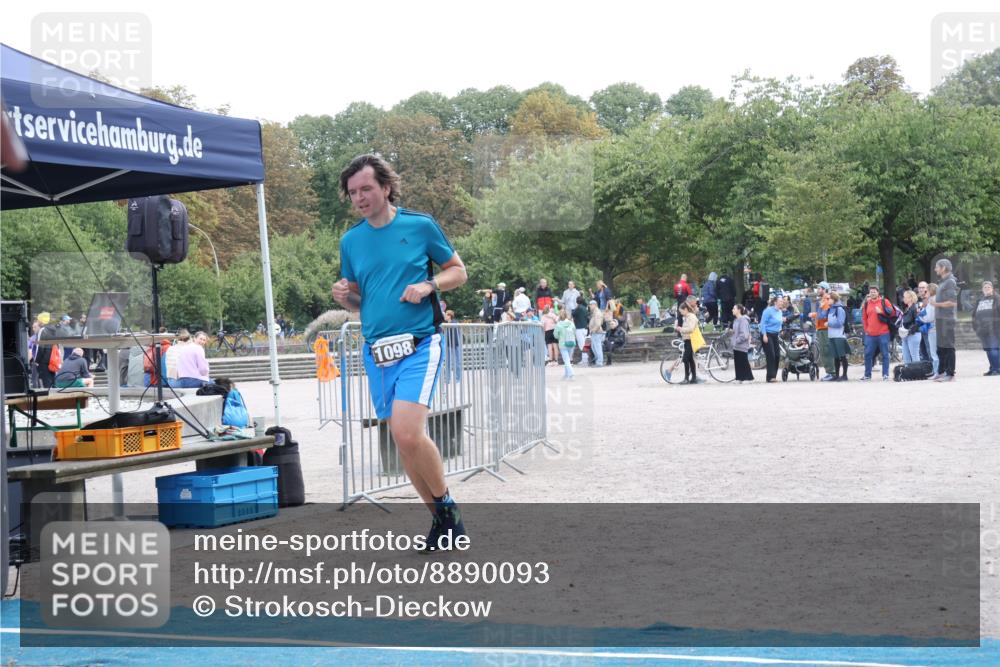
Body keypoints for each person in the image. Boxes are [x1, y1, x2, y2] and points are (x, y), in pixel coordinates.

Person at [331, 154, 467, 551]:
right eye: (353, 192)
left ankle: (448, 511)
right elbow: (360, 303)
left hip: (419, 344)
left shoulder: (419, 226)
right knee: (402, 440)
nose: (359, 198)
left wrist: (429, 286)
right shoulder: (351, 240)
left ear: (386, 187)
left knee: (408, 432)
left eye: (366, 189)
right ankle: (442, 523)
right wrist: (344, 296)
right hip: (377, 352)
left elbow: (458, 271)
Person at [933, 258, 958, 382]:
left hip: (947, 319)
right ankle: (941, 371)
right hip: (940, 318)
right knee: (940, 347)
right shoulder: (942, 282)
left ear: (943, 268)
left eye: (937, 267)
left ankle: (950, 373)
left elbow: (952, 302)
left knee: (948, 346)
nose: (935, 269)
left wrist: (936, 304)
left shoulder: (950, 282)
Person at [861, 286, 893, 381]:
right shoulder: (866, 304)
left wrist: (881, 311)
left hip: (883, 332)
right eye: (871, 292)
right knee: (867, 354)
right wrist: (866, 329)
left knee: (885, 354)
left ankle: (885, 375)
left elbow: (891, 313)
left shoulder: (884, 301)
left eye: (874, 292)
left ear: (878, 293)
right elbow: (864, 318)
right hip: (870, 334)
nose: (873, 293)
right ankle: (867, 375)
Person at [972, 280, 1000, 376]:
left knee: (994, 348)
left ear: (992, 288)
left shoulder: (997, 298)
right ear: (982, 289)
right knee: (988, 349)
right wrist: (975, 326)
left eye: (988, 287)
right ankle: (992, 368)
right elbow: (974, 314)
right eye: (985, 287)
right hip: (982, 330)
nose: (987, 289)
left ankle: (997, 369)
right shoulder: (980, 300)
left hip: (994, 329)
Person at [810, 282, 836, 381]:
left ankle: (831, 373)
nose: (817, 290)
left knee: (826, 351)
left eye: (819, 288)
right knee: (825, 350)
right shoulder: (824, 300)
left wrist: (813, 315)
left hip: (824, 329)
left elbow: (823, 316)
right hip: (822, 328)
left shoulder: (826, 300)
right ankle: (831, 372)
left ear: (824, 289)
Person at [826, 291, 850, 381]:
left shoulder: (839, 309)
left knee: (842, 356)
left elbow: (840, 323)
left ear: (833, 299)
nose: (827, 300)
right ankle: (836, 375)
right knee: (835, 356)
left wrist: (829, 324)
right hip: (832, 335)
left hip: (839, 335)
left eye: (829, 299)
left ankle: (844, 375)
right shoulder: (830, 309)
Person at [676, 302, 702, 384]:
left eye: (681, 311)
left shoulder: (691, 317)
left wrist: (681, 329)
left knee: (685, 359)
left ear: (686, 309)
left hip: (691, 340)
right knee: (690, 359)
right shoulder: (687, 317)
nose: (680, 313)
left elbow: (691, 328)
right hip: (687, 340)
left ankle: (686, 378)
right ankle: (693, 378)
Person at [760, 296, 784, 382]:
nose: (782, 302)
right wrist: (764, 335)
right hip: (767, 334)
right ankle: (770, 377)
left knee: (777, 355)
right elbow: (763, 323)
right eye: (780, 301)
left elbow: (780, 322)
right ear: (775, 302)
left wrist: (780, 330)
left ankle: (773, 375)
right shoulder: (768, 311)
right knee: (771, 355)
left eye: (782, 301)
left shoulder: (780, 312)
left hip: (775, 334)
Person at [731, 303, 754, 383]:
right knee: (738, 362)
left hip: (742, 344)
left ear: (739, 310)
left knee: (743, 361)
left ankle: (748, 378)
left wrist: (737, 340)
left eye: (734, 309)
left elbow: (744, 334)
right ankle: (739, 378)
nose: (732, 310)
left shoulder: (743, 320)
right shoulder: (735, 320)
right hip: (736, 345)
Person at [899, 289, 923, 365]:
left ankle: (917, 373)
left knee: (915, 356)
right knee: (906, 356)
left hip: (913, 334)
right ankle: (908, 373)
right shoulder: (907, 308)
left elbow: (918, 322)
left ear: (911, 298)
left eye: (905, 297)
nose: (903, 299)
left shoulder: (915, 308)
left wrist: (910, 331)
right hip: (906, 334)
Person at [553, 310, 576, 380]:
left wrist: (560, 336)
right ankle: (566, 375)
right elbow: (574, 331)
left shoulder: (558, 325)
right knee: (568, 359)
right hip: (571, 343)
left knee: (566, 360)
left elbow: (555, 335)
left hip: (563, 344)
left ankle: (571, 374)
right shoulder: (571, 323)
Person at [587, 300, 605, 367]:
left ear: (595, 305)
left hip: (597, 332)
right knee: (594, 347)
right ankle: (598, 361)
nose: (590, 306)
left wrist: (593, 330)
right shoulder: (595, 312)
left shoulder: (597, 313)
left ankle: (599, 362)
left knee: (597, 348)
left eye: (591, 305)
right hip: (595, 332)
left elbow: (598, 324)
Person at [571, 299, 590, 363]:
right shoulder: (585, 308)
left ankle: (584, 359)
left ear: (577, 302)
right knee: (585, 343)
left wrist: (573, 310)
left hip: (579, 328)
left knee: (581, 344)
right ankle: (586, 358)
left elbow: (572, 314)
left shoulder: (578, 308)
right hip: (585, 328)